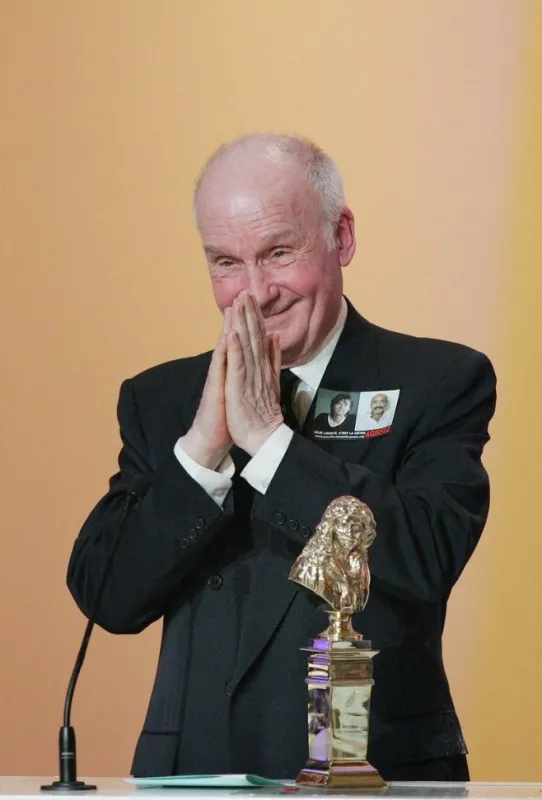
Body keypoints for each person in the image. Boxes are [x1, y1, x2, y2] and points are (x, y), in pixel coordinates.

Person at [67, 133, 496, 782]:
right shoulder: (162, 400)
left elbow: (423, 557)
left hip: (369, 773)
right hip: (194, 776)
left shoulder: (438, 381)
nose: (256, 291)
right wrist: (201, 453)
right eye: (225, 263)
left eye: (278, 253)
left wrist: (269, 442)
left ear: (342, 237)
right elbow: (109, 598)